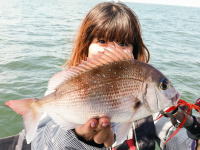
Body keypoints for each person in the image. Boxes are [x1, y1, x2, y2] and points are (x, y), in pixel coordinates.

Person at [13, 1, 199, 150]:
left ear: (135, 52)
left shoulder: (151, 105)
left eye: (123, 43)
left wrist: (194, 144)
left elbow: (173, 136)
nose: (111, 50)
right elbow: (41, 143)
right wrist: (81, 138)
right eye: (102, 41)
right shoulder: (64, 91)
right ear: (85, 47)